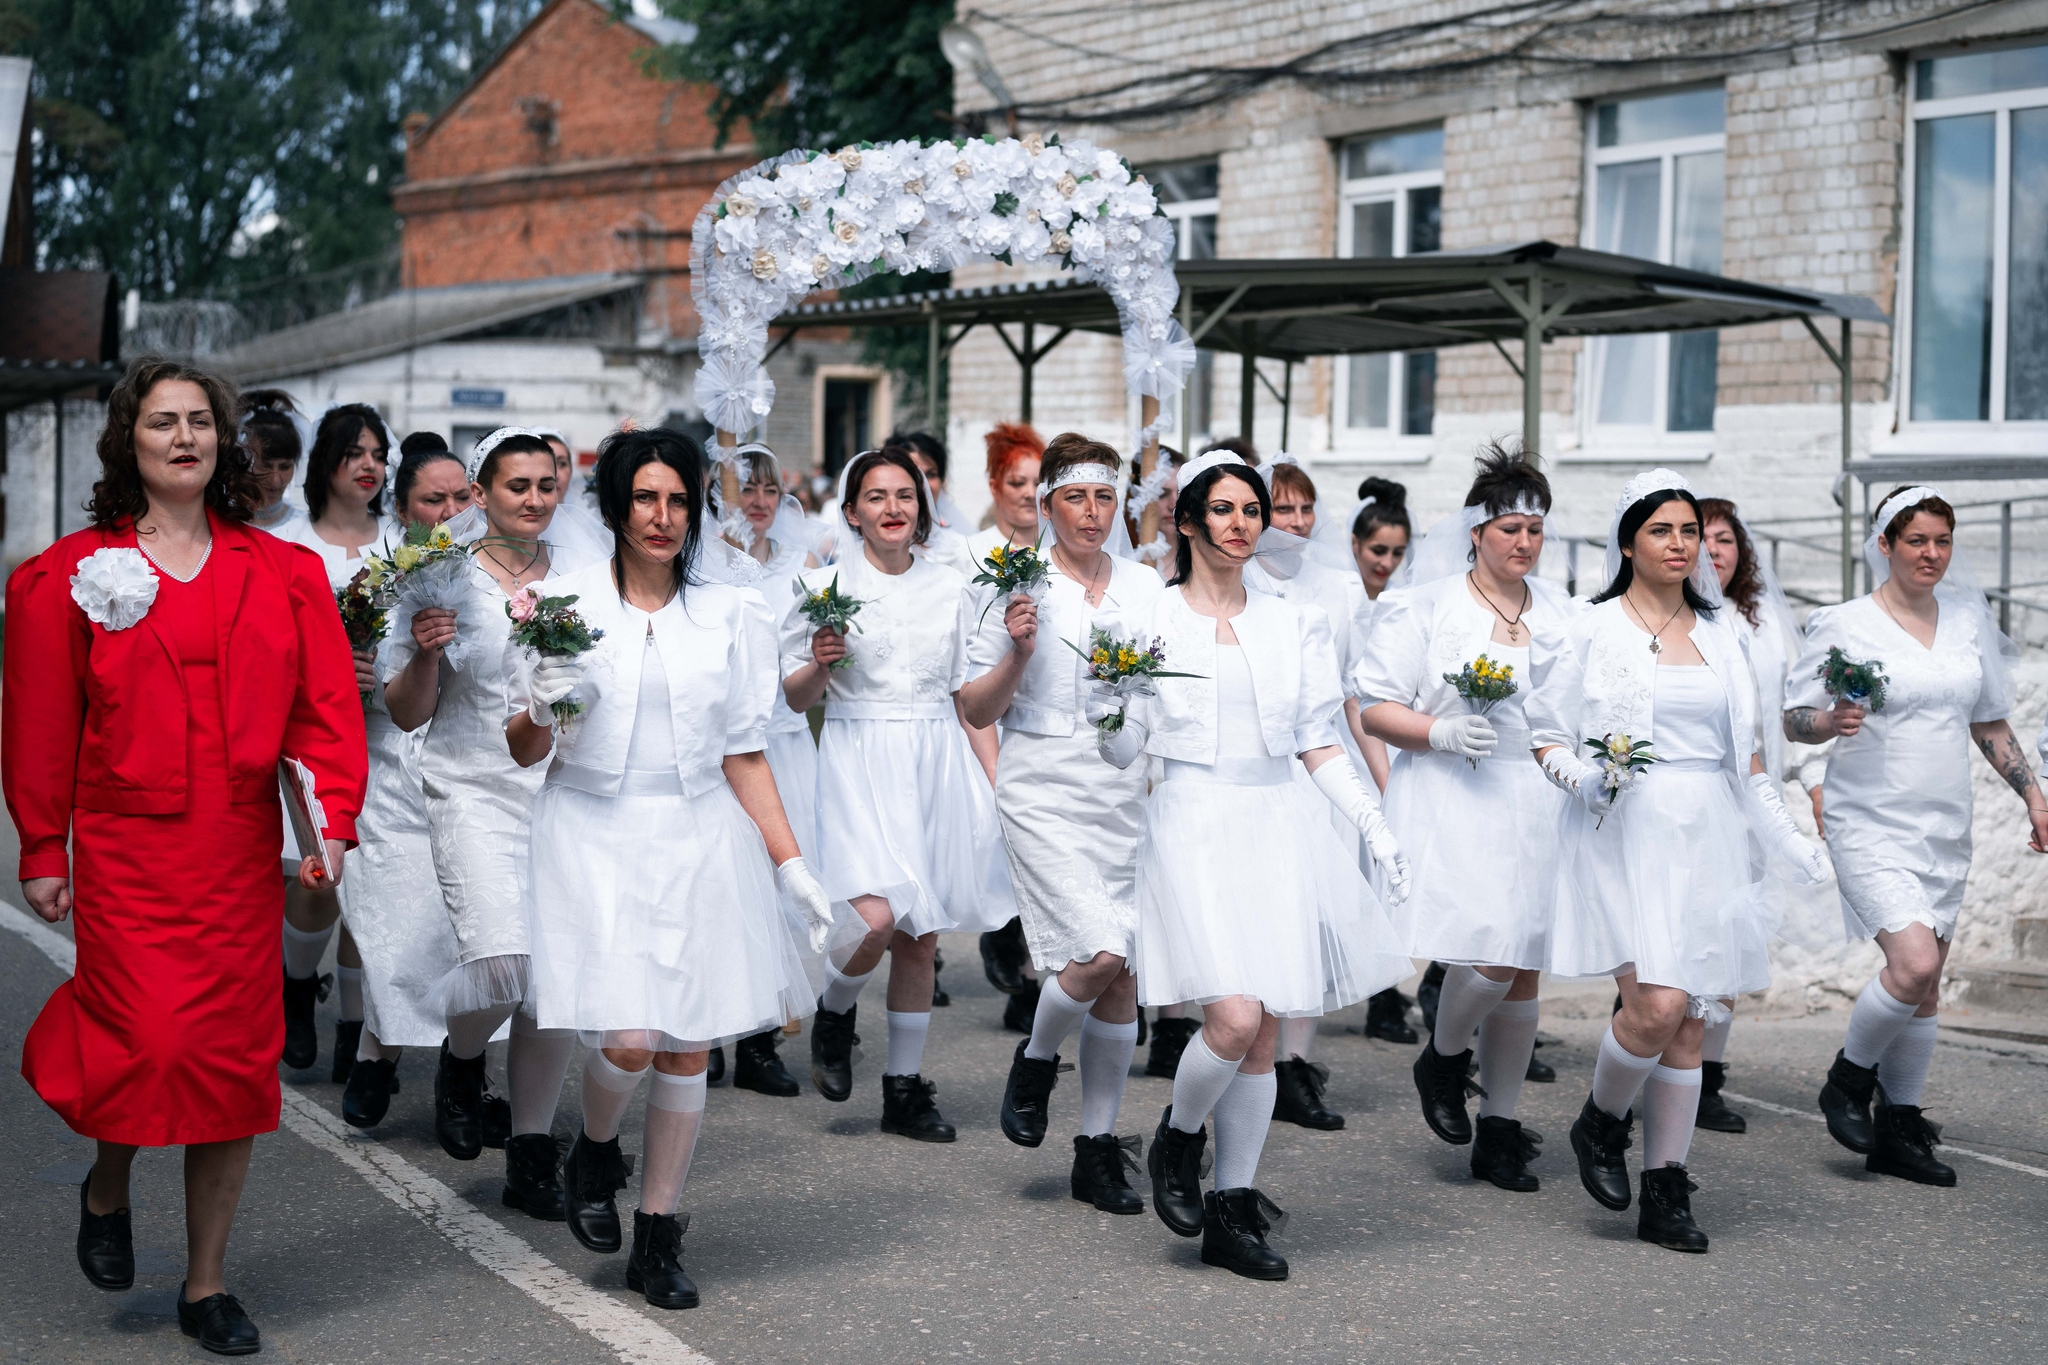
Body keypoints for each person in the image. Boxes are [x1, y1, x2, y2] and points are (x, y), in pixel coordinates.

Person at [6, 357, 366, 1354]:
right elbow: (40, 724)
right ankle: (110, 1183)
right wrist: (44, 843)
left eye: (200, 421)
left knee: (229, 1069)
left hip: (236, 852)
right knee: (150, 1045)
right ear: (129, 441)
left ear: (223, 443)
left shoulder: (286, 575)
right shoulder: (68, 576)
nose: (183, 437)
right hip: (128, 853)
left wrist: (327, 826)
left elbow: (325, 715)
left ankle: (206, 1285)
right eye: (162, 421)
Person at [512, 427, 835, 1309]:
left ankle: (658, 1229)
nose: (662, 517)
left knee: (687, 1043)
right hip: (591, 832)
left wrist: (792, 865)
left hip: (699, 831)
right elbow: (523, 745)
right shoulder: (564, 600)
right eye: (646, 498)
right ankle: (596, 1145)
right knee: (626, 1036)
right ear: (616, 505)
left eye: (680, 500)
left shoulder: (728, 611)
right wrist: (541, 706)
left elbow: (744, 753)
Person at [1102, 450, 1412, 1280]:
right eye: (1226, 509)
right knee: (1233, 1019)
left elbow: (1319, 740)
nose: (1243, 523)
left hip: (1280, 818)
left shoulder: (1291, 621)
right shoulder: (1149, 616)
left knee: (1266, 1032)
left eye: (1252, 511)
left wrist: (1375, 826)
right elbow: (1121, 748)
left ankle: (1233, 1207)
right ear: (1191, 519)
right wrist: (1113, 710)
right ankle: (1178, 1134)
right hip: (1192, 820)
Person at [1529, 469, 1827, 1253]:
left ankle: (1666, 1186)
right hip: (1624, 831)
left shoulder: (1727, 634)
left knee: (1691, 1025)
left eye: (1689, 531)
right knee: (1657, 1007)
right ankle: (1601, 1119)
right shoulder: (1588, 627)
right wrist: (1581, 774)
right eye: (1661, 530)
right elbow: (1546, 735)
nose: (1679, 544)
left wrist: (1794, 843)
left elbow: (1750, 762)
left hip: (1709, 834)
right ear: (1628, 541)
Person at [1791, 485, 2048, 1187]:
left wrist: (2033, 793)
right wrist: (1828, 722)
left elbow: (1989, 722)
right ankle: (1847, 1080)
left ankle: (1899, 1130)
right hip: (1868, 819)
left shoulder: (1967, 618)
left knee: (1925, 987)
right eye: (1916, 541)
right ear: (1885, 545)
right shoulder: (1844, 622)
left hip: (1944, 825)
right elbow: (1794, 718)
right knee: (1912, 965)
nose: (1931, 554)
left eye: (1942, 542)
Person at [382, 427, 589, 1219]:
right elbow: (405, 710)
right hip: (470, 785)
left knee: (553, 979)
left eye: (545, 484)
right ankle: (463, 1060)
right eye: (516, 486)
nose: (535, 499)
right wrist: (428, 654)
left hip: (560, 787)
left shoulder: (581, 578)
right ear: (480, 495)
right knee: (502, 960)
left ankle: (532, 1149)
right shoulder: (446, 579)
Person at [781, 447, 1017, 1141]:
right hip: (858, 755)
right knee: (877, 916)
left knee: (920, 934)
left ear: (923, 507)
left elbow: (965, 697)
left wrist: (994, 776)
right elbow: (795, 697)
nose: (893, 508)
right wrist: (818, 665)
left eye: (904, 495)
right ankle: (836, 1003)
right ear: (853, 511)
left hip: (935, 758)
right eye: (877, 496)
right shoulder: (824, 582)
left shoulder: (952, 584)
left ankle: (904, 1088)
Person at [959, 433, 1165, 1211]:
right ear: (1044, 504)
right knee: (1098, 948)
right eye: (1075, 496)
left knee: (1124, 974)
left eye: (1104, 497)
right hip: (1040, 783)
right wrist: (1016, 651)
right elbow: (974, 706)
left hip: (1123, 789)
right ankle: (1038, 1054)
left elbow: (1161, 695)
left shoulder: (1146, 586)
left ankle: (1097, 1148)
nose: (1091, 512)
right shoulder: (1014, 581)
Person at [1357, 444, 1572, 1192]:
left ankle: (1501, 1127)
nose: (1523, 542)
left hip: (1539, 794)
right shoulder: (1427, 605)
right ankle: (1445, 1054)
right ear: (1476, 532)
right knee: (1490, 951)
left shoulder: (1565, 614)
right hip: (1457, 793)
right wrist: (1436, 731)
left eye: (1535, 530)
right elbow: (1375, 704)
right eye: (1510, 527)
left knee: (1522, 968)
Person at [335, 434, 477, 1127]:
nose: (449, 512)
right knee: (404, 920)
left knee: (469, 928)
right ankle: (378, 1048)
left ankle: (462, 1073)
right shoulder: (371, 581)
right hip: (392, 765)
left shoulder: (494, 574)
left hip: (476, 766)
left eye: (460, 497)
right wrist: (352, 677)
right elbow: (343, 676)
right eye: (432, 499)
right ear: (400, 505)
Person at [1246, 457, 1374, 1130]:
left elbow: (1353, 692)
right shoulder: (1237, 580)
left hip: (1324, 763)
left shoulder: (1341, 587)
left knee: (1319, 919)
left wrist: (1377, 780)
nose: (1296, 522)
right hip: (1262, 767)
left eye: (1305, 509)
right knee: (1269, 913)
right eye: (1282, 509)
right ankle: (1250, 1044)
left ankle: (1296, 1061)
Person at [271, 403, 396, 1072]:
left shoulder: (401, 542)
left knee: (370, 892)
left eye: (377, 452)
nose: (368, 464)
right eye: (353, 452)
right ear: (327, 462)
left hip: (389, 734)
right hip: (312, 736)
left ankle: (354, 1026)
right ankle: (294, 986)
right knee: (318, 878)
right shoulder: (292, 542)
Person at [1692, 498, 1808, 1135]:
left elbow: (1791, 711)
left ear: (1742, 549)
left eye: (1724, 539)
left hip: (1753, 802)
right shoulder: (1681, 617)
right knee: (1683, 930)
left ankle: (1707, 1075)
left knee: (1735, 935)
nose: (1713, 551)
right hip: (1695, 794)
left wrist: (1808, 783)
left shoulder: (1765, 623)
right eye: (1700, 538)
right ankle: (1657, 1050)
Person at [724, 441, 821, 1095]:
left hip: (783, 741)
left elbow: (801, 681)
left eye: (768, 491)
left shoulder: (800, 567)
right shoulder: (709, 567)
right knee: (724, 885)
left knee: (781, 892)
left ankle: (760, 1041)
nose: (757, 503)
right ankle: (704, 1032)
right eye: (744, 489)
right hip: (726, 745)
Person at [1343, 479, 1416, 1044]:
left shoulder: (1409, 602)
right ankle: (1372, 987)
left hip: (1400, 735)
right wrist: (1377, 770)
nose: (1387, 563)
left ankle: (1392, 993)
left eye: (1396, 553)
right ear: (1355, 545)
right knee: (1358, 867)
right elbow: (1350, 698)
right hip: (1348, 740)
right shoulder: (1343, 602)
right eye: (1377, 551)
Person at [887, 431, 975, 576]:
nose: (924, 484)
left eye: (931, 474)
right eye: (914, 474)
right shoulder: (876, 544)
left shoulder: (960, 547)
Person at [968, 421, 1046, 561]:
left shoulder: (1064, 551)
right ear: (995, 488)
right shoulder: (970, 554)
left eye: (1038, 484)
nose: (1031, 493)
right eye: (1017, 483)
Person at [240, 389, 306, 536]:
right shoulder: (222, 523)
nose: (275, 480)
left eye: (285, 467)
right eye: (265, 466)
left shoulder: (305, 527)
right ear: (244, 460)